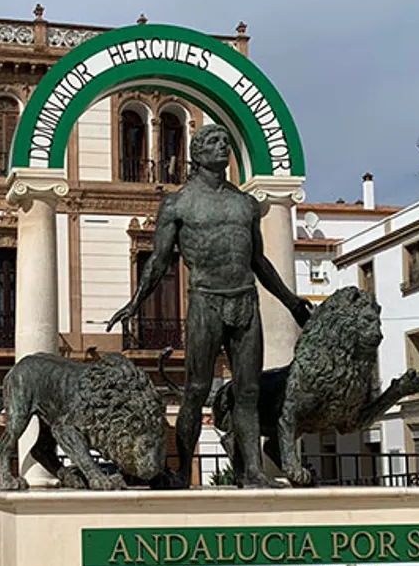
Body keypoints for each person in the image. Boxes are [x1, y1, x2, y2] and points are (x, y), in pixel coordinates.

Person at [107, 124, 312, 489]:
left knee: (247, 391)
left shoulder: (245, 203)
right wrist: (135, 302)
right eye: (214, 142)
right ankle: (184, 472)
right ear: (197, 153)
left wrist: (291, 301)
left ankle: (251, 471)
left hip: (245, 301)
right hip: (205, 301)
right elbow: (157, 261)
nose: (223, 147)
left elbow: (259, 262)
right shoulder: (178, 203)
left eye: (226, 142)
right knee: (197, 389)